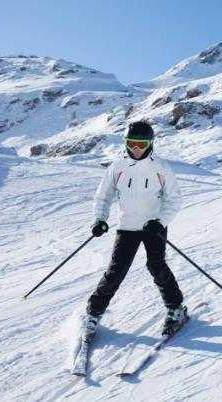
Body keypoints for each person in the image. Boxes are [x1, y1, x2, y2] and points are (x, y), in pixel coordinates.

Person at [83, 121, 186, 341]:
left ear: (151, 143)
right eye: (131, 143)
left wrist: (160, 221)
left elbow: (174, 199)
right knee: (116, 271)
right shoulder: (117, 167)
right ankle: (93, 313)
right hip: (127, 226)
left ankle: (176, 308)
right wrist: (100, 220)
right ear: (126, 143)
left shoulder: (161, 168)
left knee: (156, 265)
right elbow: (103, 196)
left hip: (153, 227)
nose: (136, 149)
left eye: (141, 144)